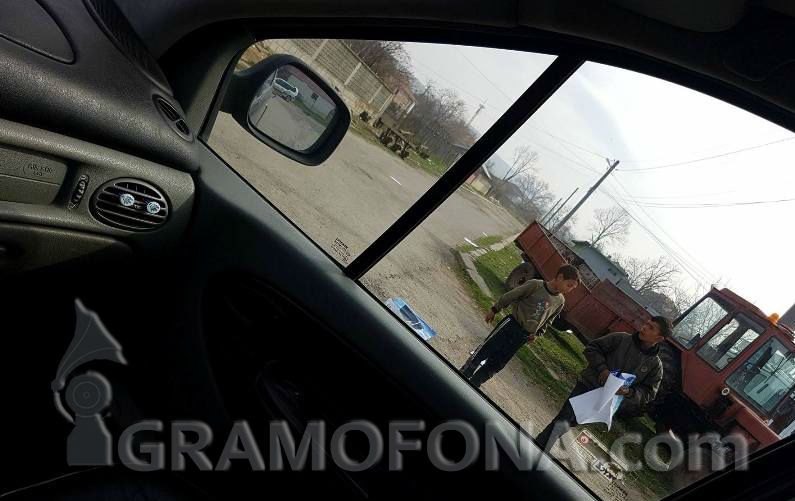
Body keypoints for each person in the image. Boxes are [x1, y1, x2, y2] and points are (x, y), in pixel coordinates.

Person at [535, 316, 673, 451]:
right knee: (564, 418)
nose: (644, 327)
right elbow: (592, 348)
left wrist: (629, 392)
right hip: (588, 386)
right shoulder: (621, 338)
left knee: (570, 422)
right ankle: (538, 448)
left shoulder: (655, 366)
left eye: (651, 328)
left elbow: (649, 393)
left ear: (659, 338)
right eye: (646, 323)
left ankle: (539, 446)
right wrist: (603, 369)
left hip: (605, 400)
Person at [460, 264, 581, 388]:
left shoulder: (560, 301)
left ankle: (474, 384)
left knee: (498, 363)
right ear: (560, 277)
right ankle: (463, 375)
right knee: (486, 349)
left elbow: (548, 320)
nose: (569, 290)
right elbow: (511, 295)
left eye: (572, 288)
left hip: (523, 336)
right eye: (569, 285)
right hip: (511, 325)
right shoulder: (535, 285)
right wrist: (495, 309)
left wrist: (537, 334)